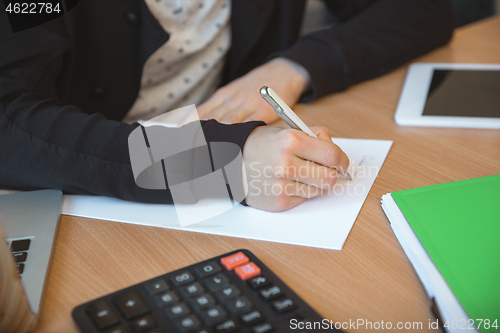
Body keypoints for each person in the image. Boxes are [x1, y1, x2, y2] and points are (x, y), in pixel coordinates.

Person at [0, 0, 455, 212]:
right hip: (90, 185)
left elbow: (423, 10)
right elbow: (10, 129)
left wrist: (294, 67)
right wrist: (221, 163)